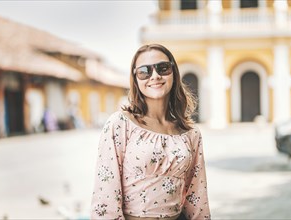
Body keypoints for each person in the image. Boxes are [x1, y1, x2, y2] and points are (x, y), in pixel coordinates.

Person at [90, 44, 210, 220]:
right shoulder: (120, 124)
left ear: (174, 73)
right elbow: (105, 197)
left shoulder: (190, 133)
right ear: (135, 79)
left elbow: (197, 196)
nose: (155, 76)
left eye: (163, 68)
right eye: (144, 71)